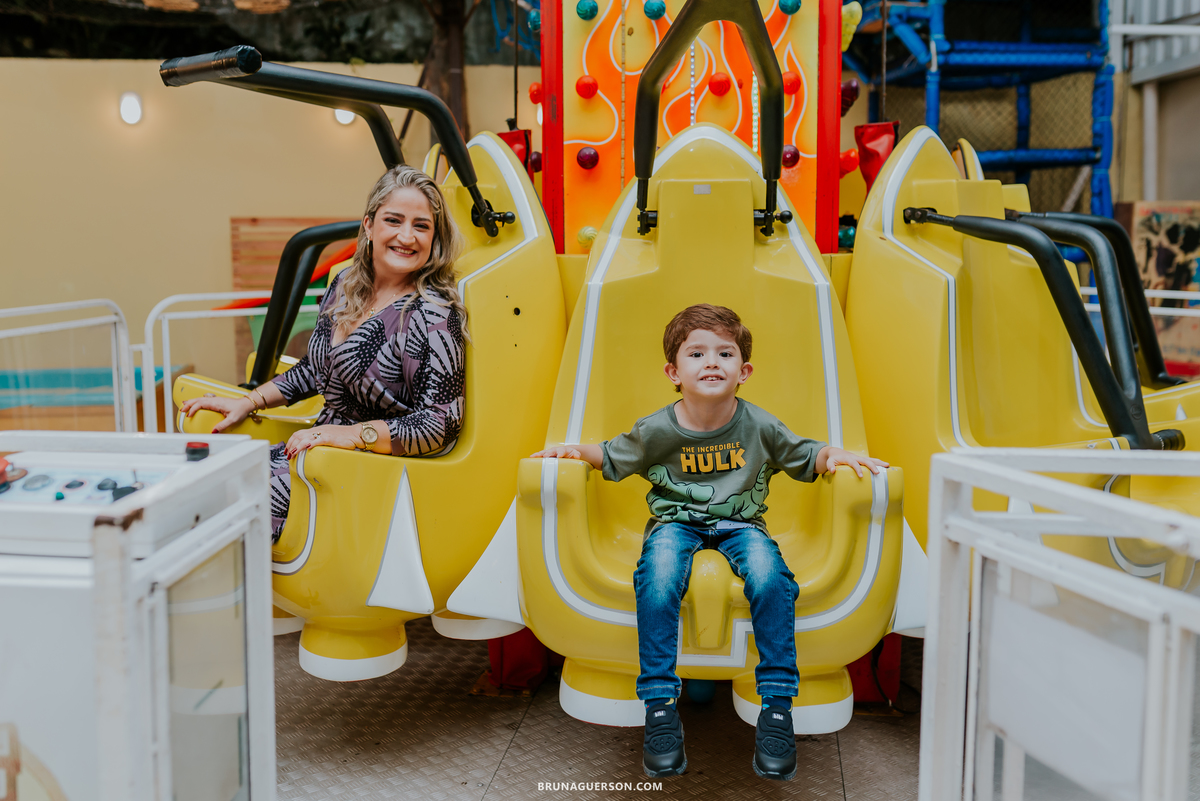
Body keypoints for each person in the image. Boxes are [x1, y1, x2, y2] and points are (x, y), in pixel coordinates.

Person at [531, 304, 887, 781]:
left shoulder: (759, 424)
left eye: (725, 352)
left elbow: (806, 454)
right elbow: (612, 454)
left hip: (743, 527)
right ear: (673, 372)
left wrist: (836, 456)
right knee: (656, 579)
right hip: (674, 524)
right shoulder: (657, 428)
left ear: (745, 371)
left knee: (771, 578)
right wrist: (573, 451)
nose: (712, 362)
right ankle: (659, 705)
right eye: (696, 353)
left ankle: (777, 706)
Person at [181, 164, 468, 540]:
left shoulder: (433, 314)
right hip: (314, 456)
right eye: (393, 220)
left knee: (232, 510)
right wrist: (248, 402)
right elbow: (316, 370)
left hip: (367, 472)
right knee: (201, 483)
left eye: (421, 226)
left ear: (434, 237)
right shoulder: (345, 285)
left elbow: (440, 424)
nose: (406, 236)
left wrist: (350, 435)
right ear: (369, 225)